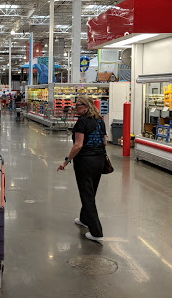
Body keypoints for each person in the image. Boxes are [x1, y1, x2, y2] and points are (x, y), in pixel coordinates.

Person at [57, 95, 107, 243]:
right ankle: (84, 219)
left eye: (77, 105)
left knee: (86, 195)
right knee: (91, 192)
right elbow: (104, 143)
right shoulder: (100, 121)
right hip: (99, 161)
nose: (74, 107)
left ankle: (96, 232)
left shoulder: (82, 122)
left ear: (86, 107)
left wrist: (66, 161)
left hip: (85, 162)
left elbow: (78, 145)